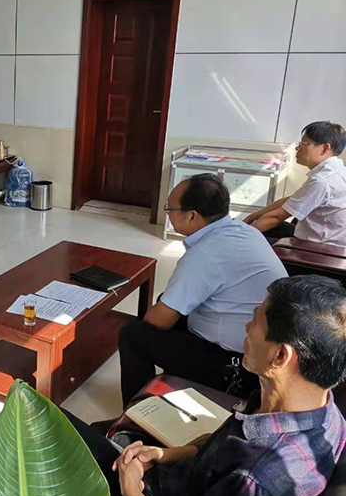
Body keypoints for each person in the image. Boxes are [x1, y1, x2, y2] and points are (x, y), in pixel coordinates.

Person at [0, 275, 346, 496]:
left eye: (256, 323)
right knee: (43, 420)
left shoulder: (253, 483)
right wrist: (165, 454)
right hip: (171, 481)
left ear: (281, 356)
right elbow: (223, 451)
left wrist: (132, 494)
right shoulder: (318, 409)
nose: (246, 328)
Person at [118, 174, 287, 408]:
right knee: (167, 302)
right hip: (266, 351)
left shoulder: (205, 254)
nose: (168, 214)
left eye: (170, 209)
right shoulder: (244, 231)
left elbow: (158, 321)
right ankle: (174, 380)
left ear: (192, 215)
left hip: (239, 368)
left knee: (133, 334)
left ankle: (136, 412)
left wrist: (147, 322)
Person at [245, 121, 346, 246]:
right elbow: (289, 201)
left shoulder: (322, 181)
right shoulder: (337, 172)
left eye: (304, 143)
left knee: (249, 243)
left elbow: (275, 218)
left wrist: (239, 234)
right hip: (320, 237)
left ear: (325, 148)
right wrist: (252, 217)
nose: (297, 148)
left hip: (319, 249)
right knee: (261, 227)